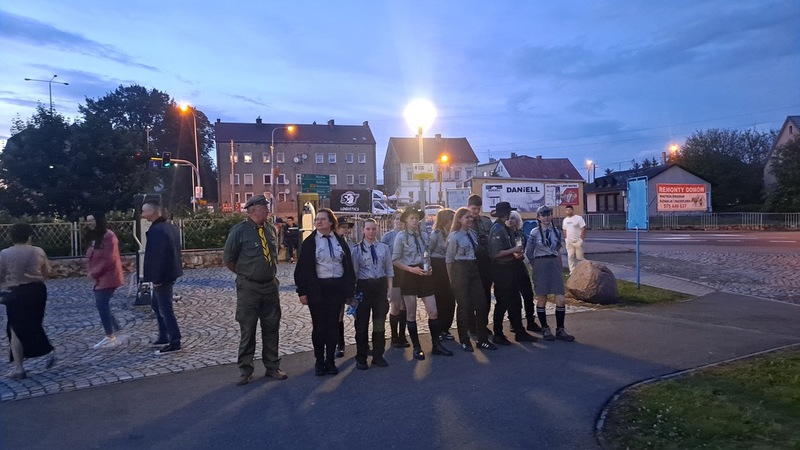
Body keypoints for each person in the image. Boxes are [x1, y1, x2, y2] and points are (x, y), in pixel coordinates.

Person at [223, 195, 288, 386]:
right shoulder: (240, 231)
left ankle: (272, 366)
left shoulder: (270, 229)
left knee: (271, 327)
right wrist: (247, 274)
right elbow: (229, 259)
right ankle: (245, 370)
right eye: (264, 207)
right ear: (253, 210)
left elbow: (274, 253)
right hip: (249, 287)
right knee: (248, 328)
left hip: (270, 285)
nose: (267, 210)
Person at [294, 209, 356, 376]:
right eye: (317, 219)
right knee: (319, 326)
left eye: (323, 219)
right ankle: (319, 361)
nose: (319, 222)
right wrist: (302, 292)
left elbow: (348, 266)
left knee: (333, 326)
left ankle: (330, 360)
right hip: (318, 288)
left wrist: (349, 290)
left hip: (336, 288)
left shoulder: (339, 241)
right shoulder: (310, 242)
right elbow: (302, 269)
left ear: (331, 222)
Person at [392, 206, 453, 360]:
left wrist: (429, 267)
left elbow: (427, 254)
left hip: (424, 273)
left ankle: (436, 345)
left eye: (417, 218)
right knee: (411, 313)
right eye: (412, 218)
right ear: (406, 220)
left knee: (433, 311)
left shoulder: (424, 235)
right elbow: (395, 260)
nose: (415, 221)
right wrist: (411, 270)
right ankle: (417, 347)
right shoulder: (401, 237)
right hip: (409, 275)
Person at [0, 223, 56, 379]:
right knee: (34, 323)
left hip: (16, 293)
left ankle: (19, 367)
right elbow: (47, 272)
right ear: (29, 236)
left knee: (15, 328)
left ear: (11, 236)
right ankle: (45, 350)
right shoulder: (38, 251)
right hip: (37, 291)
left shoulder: (4, 253)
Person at [446, 208, 497, 352]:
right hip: (460, 269)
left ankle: (482, 339)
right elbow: (449, 260)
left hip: (473, 268)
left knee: (481, 305)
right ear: (459, 219)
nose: (470, 219)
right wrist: (451, 279)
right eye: (466, 217)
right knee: (464, 306)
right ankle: (464, 339)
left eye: (470, 217)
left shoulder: (472, 234)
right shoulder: (454, 237)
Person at [488, 202, 537, 344]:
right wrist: (513, 251)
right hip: (501, 269)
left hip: (510, 267)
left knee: (515, 301)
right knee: (503, 302)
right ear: (507, 214)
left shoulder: (504, 227)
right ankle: (498, 333)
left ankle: (519, 331)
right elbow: (495, 253)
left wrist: (515, 253)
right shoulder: (497, 229)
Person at [524, 205, 575, 342]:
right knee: (542, 298)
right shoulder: (534, 232)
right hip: (541, 264)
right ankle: (545, 328)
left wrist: (560, 266)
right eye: (543, 215)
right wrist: (535, 266)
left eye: (549, 215)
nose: (546, 218)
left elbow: (557, 250)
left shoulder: (556, 231)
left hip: (554, 264)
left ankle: (560, 329)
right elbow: (529, 252)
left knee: (561, 299)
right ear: (538, 217)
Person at [141, 201, 184, 354]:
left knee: (165, 309)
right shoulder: (169, 227)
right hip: (170, 273)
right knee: (157, 306)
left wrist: (158, 279)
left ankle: (174, 341)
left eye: (144, 211)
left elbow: (159, 256)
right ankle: (164, 336)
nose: (142, 214)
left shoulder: (158, 230)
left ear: (153, 212)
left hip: (163, 276)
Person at [351, 218, 394, 369]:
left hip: (380, 287)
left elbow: (389, 270)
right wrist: (353, 295)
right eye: (368, 229)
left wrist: (390, 289)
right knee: (361, 325)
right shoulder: (357, 250)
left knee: (379, 323)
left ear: (378, 230)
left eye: (374, 229)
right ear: (363, 230)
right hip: (364, 287)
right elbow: (354, 274)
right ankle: (361, 357)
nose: (371, 232)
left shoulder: (384, 248)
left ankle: (378, 355)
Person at [85, 213, 125, 350]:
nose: (89, 223)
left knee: (101, 303)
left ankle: (110, 336)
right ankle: (115, 328)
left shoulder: (108, 236)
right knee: (103, 304)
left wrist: (93, 273)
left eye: (92, 220)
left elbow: (109, 258)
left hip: (108, 276)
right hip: (100, 276)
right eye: (88, 221)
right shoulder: (96, 236)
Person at [507, 210, 541, 333]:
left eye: (513, 218)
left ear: (518, 221)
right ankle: (513, 322)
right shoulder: (505, 233)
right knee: (513, 296)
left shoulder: (521, 234)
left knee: (528, 294)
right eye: (509, 218)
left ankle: (531, 321)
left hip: (520, 265)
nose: (511, 221)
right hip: (509, 266)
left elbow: (522, 248)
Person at [467, 194, 493, 337]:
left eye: (478, 208)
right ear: (468, 207)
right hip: (472, 261)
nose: (476, 211)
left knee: (486, 295)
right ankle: (472, 326)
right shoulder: (465, 222)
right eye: (473, 208)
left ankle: (482, 324)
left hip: (485, 260)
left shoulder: (486, 222)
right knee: (472, 296)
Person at [428, 208, 456, 341]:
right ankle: (439, 329)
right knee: (440, 298)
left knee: (450, 299)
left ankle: (446, 327)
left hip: (449, 265)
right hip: (437, 266)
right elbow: (428, 251)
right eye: (452, 219)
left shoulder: (452, 233)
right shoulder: (436, 234)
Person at [382, 211, 409, 349]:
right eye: (397, 219)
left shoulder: (408, 235)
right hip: (394, 273)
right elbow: (383, 256)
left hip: (407, 272)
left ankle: (402, 334)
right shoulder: (388, 237)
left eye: (401, 219)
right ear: (393, 221)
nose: (399, 221)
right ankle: (394, 336)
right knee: (396, 305)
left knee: (405, 305)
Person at [334, 216, 355, 358]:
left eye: (347, 227)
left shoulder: (349, 242)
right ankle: (339, 343)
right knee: (337, 315)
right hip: (337, 282)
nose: (346, 230)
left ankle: (361, 341)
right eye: (343, 227)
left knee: (355, 313)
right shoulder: (334, 242)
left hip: (348, 281)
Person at [562, 205, 587, 274]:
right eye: (567, 210)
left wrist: (581, 239)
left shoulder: (578, 218)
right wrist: (566, 238)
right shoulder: (565, 220)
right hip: (569, 241)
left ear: (572, 210)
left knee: (580, 257)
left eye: (570, 210)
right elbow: (564, 230)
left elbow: (583, 228)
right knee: (570, 256)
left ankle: (585, 268)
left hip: (577, 241)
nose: (568, 211)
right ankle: (572, 271)